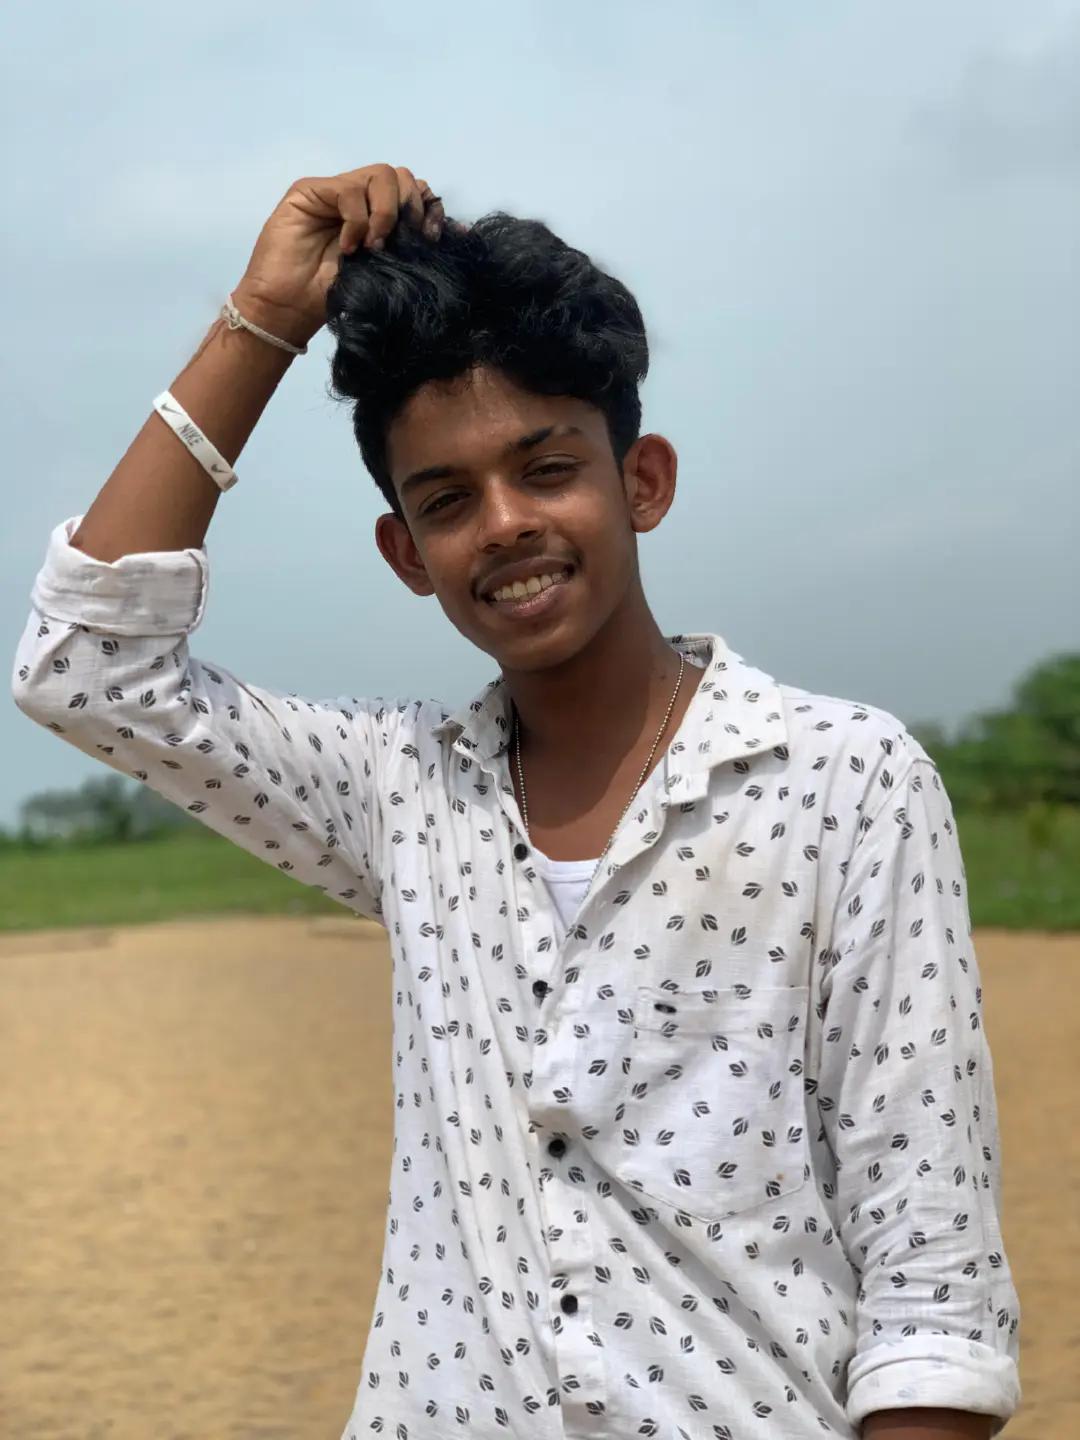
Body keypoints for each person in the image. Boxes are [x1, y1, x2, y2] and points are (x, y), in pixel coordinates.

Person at [12, 163, 1020, 1440]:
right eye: (447, 500)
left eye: (546, 468)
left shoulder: (844, 780)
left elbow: (933, 1285)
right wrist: (263, 321)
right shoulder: (401, 794)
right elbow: (89, 669)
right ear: (406, 554)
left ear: (641, 481)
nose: (503, 524)